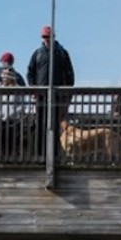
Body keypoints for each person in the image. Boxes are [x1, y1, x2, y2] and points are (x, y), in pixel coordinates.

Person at [26, 25, 75, 157]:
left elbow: (69, 74)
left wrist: (68, 95)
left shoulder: (62, 53)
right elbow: (30, 72)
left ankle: (55, 155)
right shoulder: (37, 53)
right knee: (41, 125)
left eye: (48, 36)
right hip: (41, 97)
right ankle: (40, 155)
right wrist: (33, 89)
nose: (46, 39)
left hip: (57, 97)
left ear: (53, 37)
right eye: (44, 37)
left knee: (56, 126)